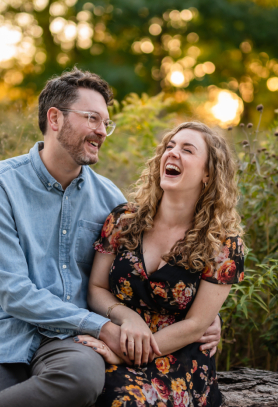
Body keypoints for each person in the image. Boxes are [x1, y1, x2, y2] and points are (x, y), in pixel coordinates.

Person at [0, 69, 222, 407]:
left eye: (106, 123)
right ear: (55, 119)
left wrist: (206, 318)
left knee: (82, 379)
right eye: (92, 119)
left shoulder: (110, 200)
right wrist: (103, 327)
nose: (102, 131)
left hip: (70, 342)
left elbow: (136, 276)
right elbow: (13, 293)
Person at [74, 121, 245, 407]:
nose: (173, 153)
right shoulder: (123, 220)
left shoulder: (223, 244)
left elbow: (196, 325)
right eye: (170, 147)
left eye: (187, 150)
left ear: (207, 173)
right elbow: (96, 287)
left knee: (124, 402)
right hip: (116, 336)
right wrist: (127, 321)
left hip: (178, 358)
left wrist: (127, 355)